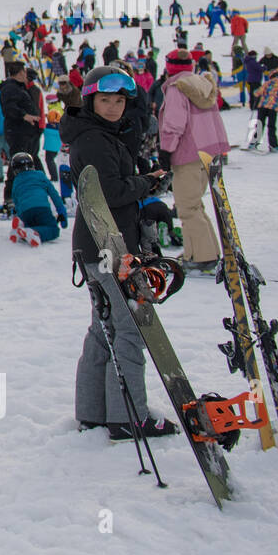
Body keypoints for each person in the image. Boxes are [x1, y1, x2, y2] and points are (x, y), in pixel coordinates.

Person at [64, 67, 175, 440]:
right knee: (129, 330)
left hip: (97, 244)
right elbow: (109, 193)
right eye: (105, 100)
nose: (113, 107)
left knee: (104, 328)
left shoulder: (97, 134)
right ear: (91, 101)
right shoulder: (95, 139)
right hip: (108, 245)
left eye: (119, 101)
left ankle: (94, 410)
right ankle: (129, 415)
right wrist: (147, 182)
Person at [157, 50, 228, 273]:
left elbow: (174, 122)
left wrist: (166, 150)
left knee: (187, 207)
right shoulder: (202, 83)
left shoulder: (178, 88)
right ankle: (204, 252)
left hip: (187, 152)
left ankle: (200, 258)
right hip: (208, 151)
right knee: (195, 204)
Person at [6, 152, 66, 246]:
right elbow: (53, 194)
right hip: (41, 208)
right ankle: (35, 232)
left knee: (31, 224)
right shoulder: (40, 175)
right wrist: (61, 210)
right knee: (53, 229)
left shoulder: (16, 181)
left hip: (25, 212)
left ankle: (21, 228)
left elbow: (16, 200)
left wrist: (18, 215)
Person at [0, 61, 41, 159]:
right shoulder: (10, 88)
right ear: (21, 73)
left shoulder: (19, 87)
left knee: (28, 159)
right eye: (25, 72)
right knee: (19, 160)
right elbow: (9, 108)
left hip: (25, 132)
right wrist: (25, 116)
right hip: (18, 132)